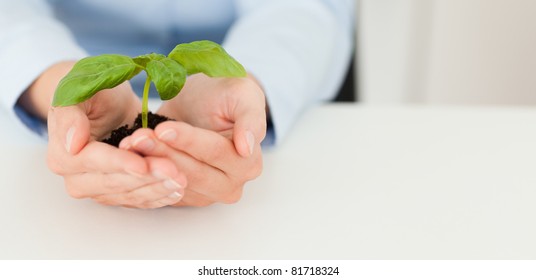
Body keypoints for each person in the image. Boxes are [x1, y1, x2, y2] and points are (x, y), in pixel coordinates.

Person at [0, 0, 355, 208]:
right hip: (75, 53)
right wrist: (51, 78)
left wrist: (245, 81)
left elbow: (302, 9)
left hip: (256, 61)